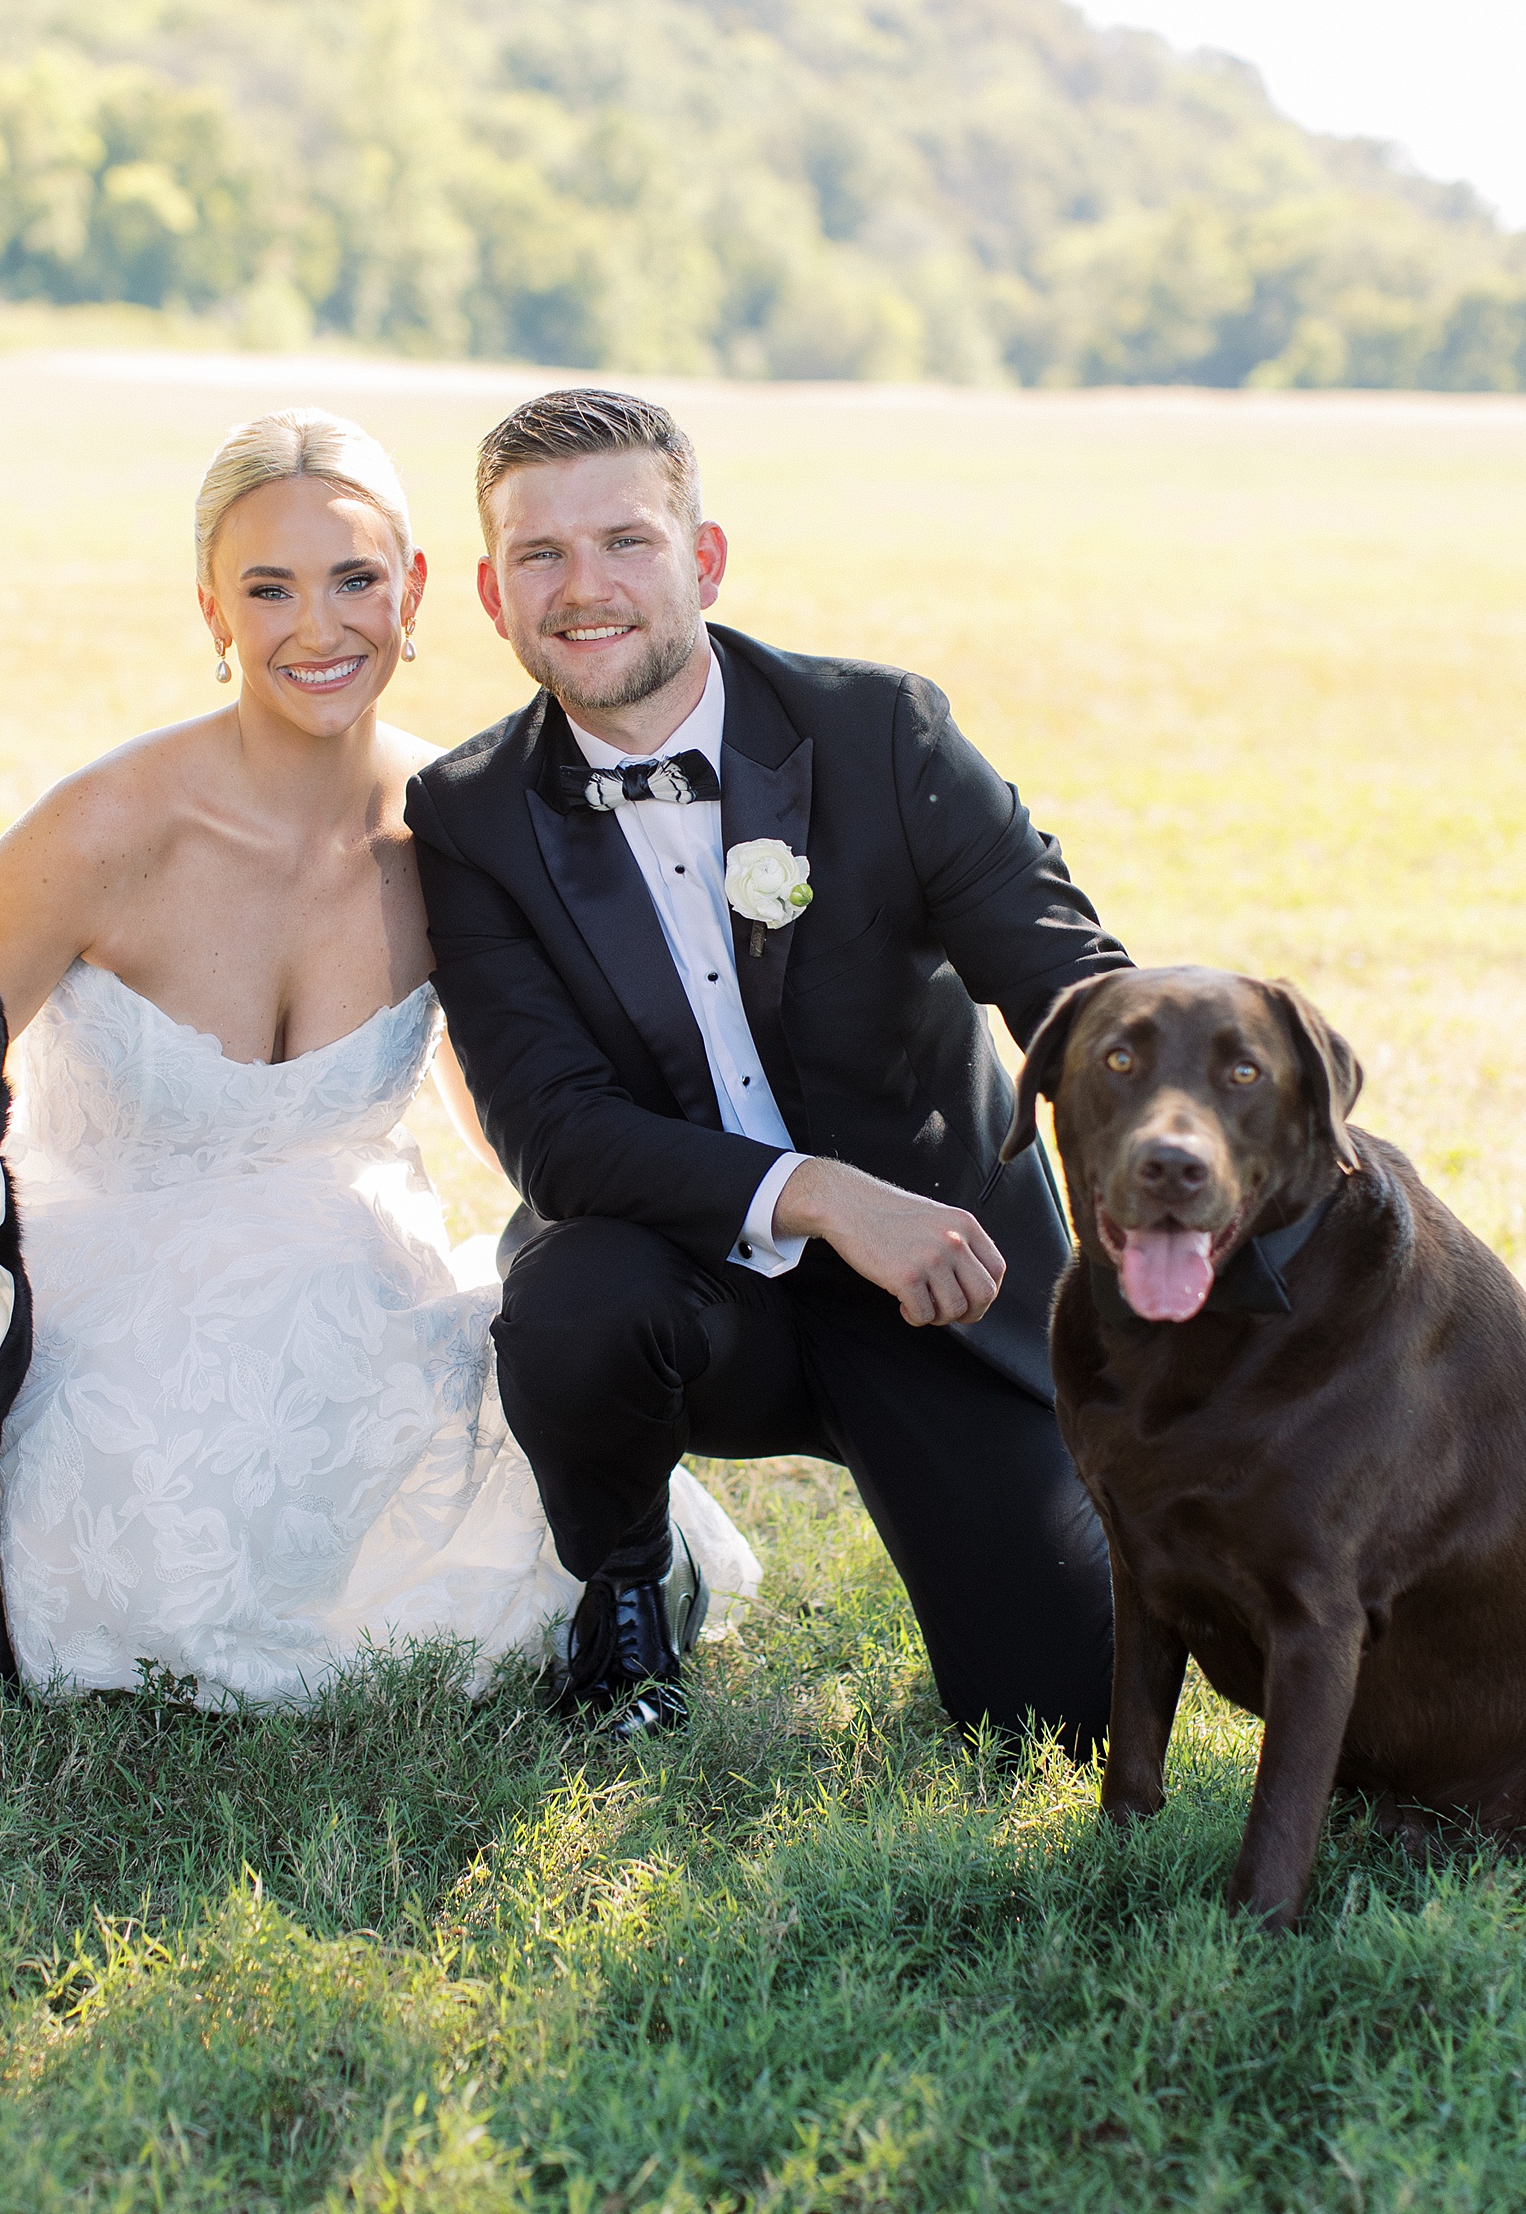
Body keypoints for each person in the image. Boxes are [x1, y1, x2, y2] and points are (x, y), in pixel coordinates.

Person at [0, 408, 753, 1709]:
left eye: (354, 580)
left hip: (354, 1300)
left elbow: (517, 1121)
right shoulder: (100, 830)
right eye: (266, 587)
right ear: (214, 611)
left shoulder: (465, 826)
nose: (318, 628)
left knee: (511, 1480)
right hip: (105, 1311)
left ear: (416, 591)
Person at [406, 386, 1129, 1750]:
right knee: (568, 1298)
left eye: (626, 540)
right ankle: (625, 1585)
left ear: (706, 557)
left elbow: (1066, 976)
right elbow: (554, 1133)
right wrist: (827, 1196)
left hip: (942, 1279)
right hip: (685, 1293)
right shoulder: (468, 814)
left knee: (1054, 1717)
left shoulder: (881, 732)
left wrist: (1170, 1157)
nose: (585, 588)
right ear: (494, 598)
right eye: (538, 556)